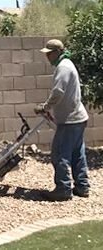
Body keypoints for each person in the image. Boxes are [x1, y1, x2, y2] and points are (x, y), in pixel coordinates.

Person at [35, 39, 90, 201]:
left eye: (49, 54)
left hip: (70, 119)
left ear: (57, 52)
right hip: (77, 117)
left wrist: (45, 107)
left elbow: (58, 92)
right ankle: (82, 186)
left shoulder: (63, 67)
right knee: (77, 153)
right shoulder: (67, 64)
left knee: (59, 154)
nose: (47, 57)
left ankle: (63, 189)